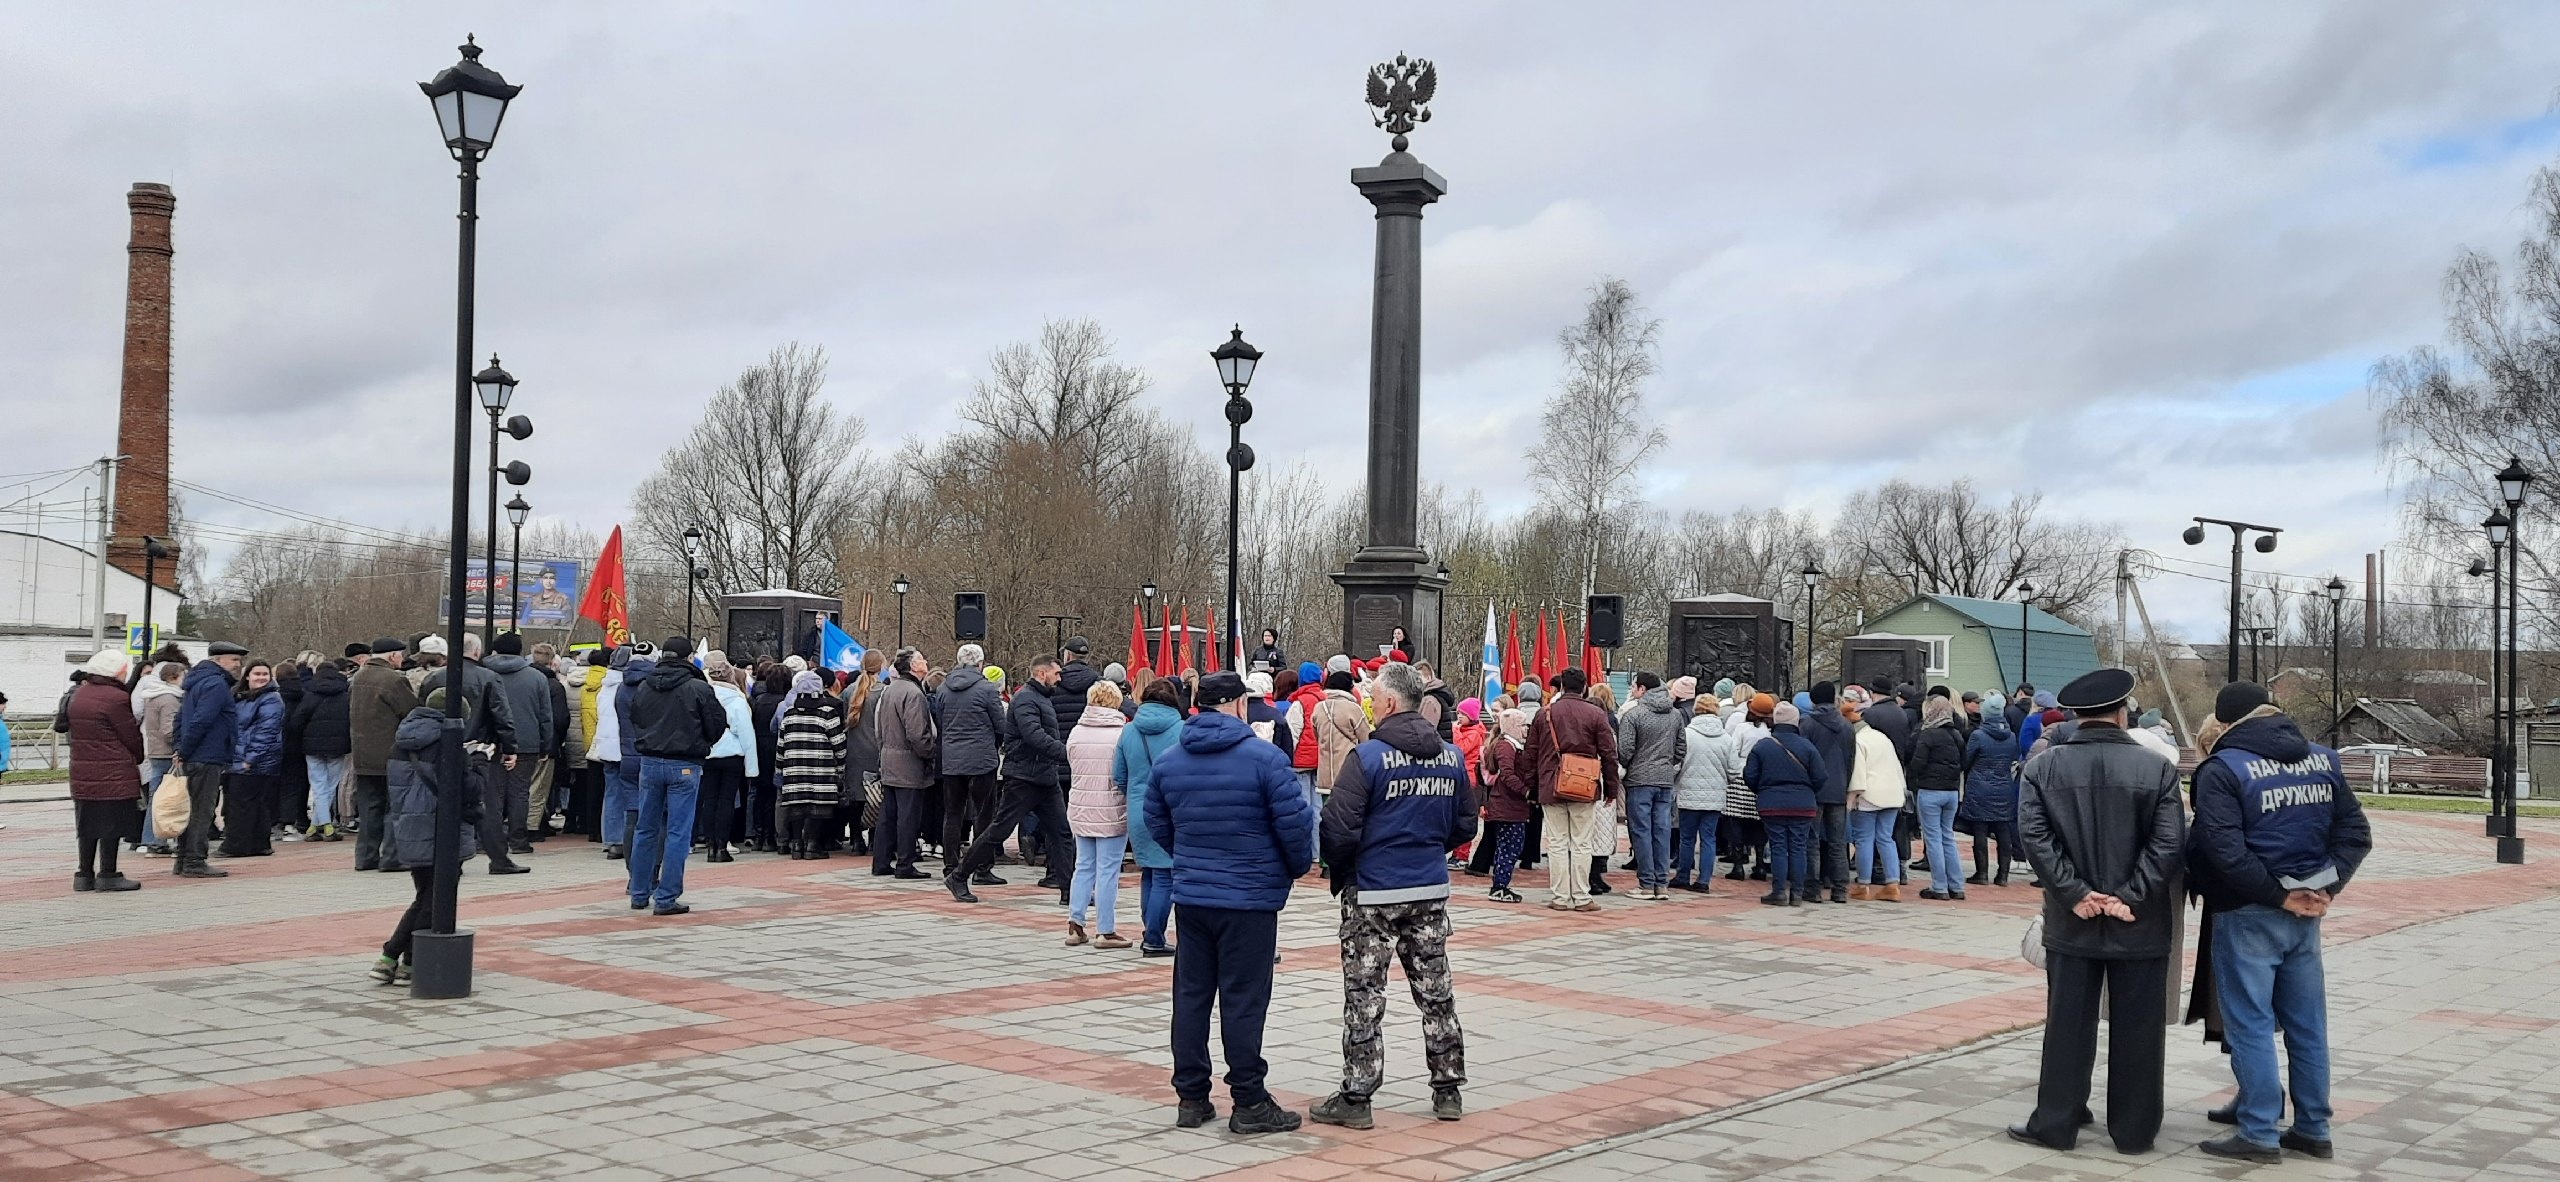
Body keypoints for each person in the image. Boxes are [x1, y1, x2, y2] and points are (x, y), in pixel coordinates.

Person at [2187, 682, 2370, 1164]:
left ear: (2224, 724)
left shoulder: (2222, 769)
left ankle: (2260, 1131)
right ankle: (2312, 1127)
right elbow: (2356, 835)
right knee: (2307, 1026)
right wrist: (2323, 890)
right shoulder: (2324, 759)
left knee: (2249, 1023)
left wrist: (2279, 895)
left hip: (2248, 912)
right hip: (2306, 915)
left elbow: (2223, 849)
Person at [2009, 669, 2186, 1156]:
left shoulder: (2043, 768)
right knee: (2140, 1029)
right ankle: (2134, 1131)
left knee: (2067, 1023)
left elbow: (2034, 839)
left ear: (2074, 715)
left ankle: (2056, 1123)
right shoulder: (2157, 768)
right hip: (2142, 921)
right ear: (2123, 712)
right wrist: (2130, 895)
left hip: (2072, 920)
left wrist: (2076, 894)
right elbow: (2170, 841)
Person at [1143, 669, 1313, 1135]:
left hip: (1194, 895)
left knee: (1191, 995)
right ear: (1239, 705)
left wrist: (1189, 857)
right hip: (1250, 898)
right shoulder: (1266, 759)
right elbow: (1296, 828)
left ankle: (1192, 1097)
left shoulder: (1172, 760)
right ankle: (1249, 1100)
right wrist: (1291, 869)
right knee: (1243, 999)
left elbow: (1155, 823)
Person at [1312, 661, 1474, 1129]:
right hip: (1428, 887)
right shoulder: (1450, 757)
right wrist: (1427, 850)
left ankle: (1358, 1097)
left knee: (1364, 995)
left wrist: (1346, 871)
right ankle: (1447, 1089)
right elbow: (1465, 824)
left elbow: (1338, 827)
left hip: (1374, 893)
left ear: (1387, 704)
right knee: (1436, 992)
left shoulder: (1367, 758)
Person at [373, 688, 484, 984]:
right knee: (435, 897)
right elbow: (465, 788)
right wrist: (478, 761)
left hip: (408, 827)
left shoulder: (401, 741)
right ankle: (396, 955)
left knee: (425, 893)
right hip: (441, 829)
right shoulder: (449, 745)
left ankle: (401, 960)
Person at [947, 657, 1077, 903]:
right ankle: (959, 875)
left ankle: (1069, 891)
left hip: (1045, 778)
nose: (1060, 679)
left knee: (1061, 833)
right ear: (1041, 673)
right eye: (1057, 674)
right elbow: (1033, 735)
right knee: (998, 831)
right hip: (1024, 778)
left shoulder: (1042, 698)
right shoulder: (1026, 698)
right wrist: (1067, 753)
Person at [624, 637, 727, 915]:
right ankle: (667, 896)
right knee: (677, 832)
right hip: (685, 762)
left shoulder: (645, 685)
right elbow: (717, 724)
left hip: (650, 761)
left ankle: (639, 891)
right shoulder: (698, 687)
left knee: (645, 828)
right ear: (688, 657)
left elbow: (635, 717)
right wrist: (700, 742)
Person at [424, 634, 526, 875]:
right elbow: (502, 716)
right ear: (478, 652)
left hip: (440, 748)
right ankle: (499, 859)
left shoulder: (435, 678)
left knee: (446, 804)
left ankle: (449, 859)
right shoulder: (489, 678)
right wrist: (510, 748)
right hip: (478, 749)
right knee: (486, 805)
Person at [1522, 668, 1622, 913]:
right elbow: (1609, 755)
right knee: (1582, 842)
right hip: (1585, 785)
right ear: (1585, 687)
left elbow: (1530, 755)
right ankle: (1581, 896)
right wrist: (1611, 789)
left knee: (1556, 842)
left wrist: (1531, 788)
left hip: (1550, 785)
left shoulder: (1544, 714)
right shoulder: (1596, 714)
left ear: (1561, 687)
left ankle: (1559, 896)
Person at [1117, 677, 1187, 956]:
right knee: (1166, 876)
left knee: (1149, 872)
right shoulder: (1182, 730)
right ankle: (1154, 937)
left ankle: (1150, 931)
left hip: (1137, 809)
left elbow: (1119, 776)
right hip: (1170, 809)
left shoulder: (1128, 731)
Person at [67, 649, 146, 892]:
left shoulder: (79, 694)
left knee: (87, 823)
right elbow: (129, 733)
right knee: (110, 823)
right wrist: (139, 756)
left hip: (82, 769)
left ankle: (83, 874)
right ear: (118, 672)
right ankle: (108, 874)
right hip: (113, 770)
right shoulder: (115, 697)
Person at [1066, 680, 1133, 948]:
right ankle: (1105, 930)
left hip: (1082, 807)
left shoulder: (1076, 732)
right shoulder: (1122, 733)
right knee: (1108, 869)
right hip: (1112, 808)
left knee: (1083, 866)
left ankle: (1075, 923)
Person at [171, 640, 247, 878]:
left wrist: (180, 748)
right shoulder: (216, 684)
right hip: (207, 755)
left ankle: (183, 859)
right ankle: (194, 860)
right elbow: (202, 720)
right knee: (202, 811)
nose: (238, 665)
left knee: (189, 809)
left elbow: (180, 720)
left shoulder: (195, 683)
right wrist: (183, 750)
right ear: (218, 661)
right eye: (234, 660)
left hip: (195, 755)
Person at [1743, 698, 1826, 907]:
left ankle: (1779, 891)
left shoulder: (1763, 746)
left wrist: (1763, 791)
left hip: (1772, 804)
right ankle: (1797, 893)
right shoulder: (1808, 747)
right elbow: (1821, 776)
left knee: (1779, 846)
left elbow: (1749, 775)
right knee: (1799, 846)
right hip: (1803, 804)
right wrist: (1807, 791)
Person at [936, 644, 1006, 883]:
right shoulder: (987, 689)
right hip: (982, 760)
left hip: (952, 760)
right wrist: (993, 746)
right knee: (984, 815)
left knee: (953, 814)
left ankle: (950, 865)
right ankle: (982, 868)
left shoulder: (943, 688)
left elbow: (941, 721)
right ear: (981, 664)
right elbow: (1001, 726)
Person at [347, 638, 417, 872]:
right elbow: (410, 712)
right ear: (392, 656)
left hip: (362, 754)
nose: (402, 659)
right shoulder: (393, 680)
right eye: (400, 655)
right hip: (390, 754)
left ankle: (365, 857)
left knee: (369, 808)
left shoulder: (358, 677)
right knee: (394, 807)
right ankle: (391, 857)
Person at [1615, 671, 1686, 902]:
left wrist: (1632, 765)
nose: (1633, 690)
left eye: (1635, 686)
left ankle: (1646, 883)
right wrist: (1667, 764)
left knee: (1641, 831)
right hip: (1665, 780)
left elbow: (1625, 751)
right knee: (1662, 830)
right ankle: (1661, 884)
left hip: (1639, 780)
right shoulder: (1675, 715)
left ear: (1643, 689)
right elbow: (1681, 749)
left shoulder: (1634, 715)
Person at [485, 633, 554, 854]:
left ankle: (490, 841)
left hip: (490, 742)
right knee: (519, 792)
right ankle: (518, 840)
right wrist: (545, 744)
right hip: (527, 741)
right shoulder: (536, 678)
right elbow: (545, 715)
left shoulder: (484, 673)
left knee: (492, 793)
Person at [872, 648, 938, 879]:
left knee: (888, 815)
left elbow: (880, 728)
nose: (925, 661)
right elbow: (918, 733)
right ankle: (905, 864)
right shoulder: (913, 693)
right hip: (908, 762)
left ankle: (880, 861)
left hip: (889, 759)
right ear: (912, 667)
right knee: (908, 816)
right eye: (921, 659)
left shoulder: (890, 690)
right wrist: (930, 753)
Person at [1670, 696, 1741, 893]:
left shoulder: (1687, 734)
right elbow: (1734, 770)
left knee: (1687, 838)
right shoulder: (1726, 738)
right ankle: (1703, 881)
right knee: (1709, 839)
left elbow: (1676, 764)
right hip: (1715, 797)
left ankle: (1683, 875)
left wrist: (1676, 781)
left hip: (1688, 794)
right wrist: (1723, 782)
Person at [774, 670, 847, 859]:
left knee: (797, 807)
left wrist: (780, 768)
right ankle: (812, 845)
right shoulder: (827, 714)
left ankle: (797, 844)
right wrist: (840, 768)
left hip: (794, 770)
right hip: (820, 770)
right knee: (817, 807)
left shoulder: (789, 714)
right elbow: (839, 745)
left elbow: (781, 745)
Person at [1840, 688, 1904, 901]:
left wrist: (1851, 798)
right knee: (1886, 839)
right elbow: (1896, 766)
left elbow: (1858, 773)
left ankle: (1863, 884)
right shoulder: (1880, 737)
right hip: (1892, 793)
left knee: (1864, 839)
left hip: (1869, 796)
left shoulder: (1857, 741)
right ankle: (1892, 884)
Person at [1906, 694, 1969, 900]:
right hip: (1951, 792)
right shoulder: (1956, 735)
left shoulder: (1928, 734)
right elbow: (1964, 762)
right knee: (1947, 837)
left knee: (1933, 839)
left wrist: (1915, 779)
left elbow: (1917, 763)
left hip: (1930, 790)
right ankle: (1957, 885)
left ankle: (1939, 886)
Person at [221, 659, 286, 858]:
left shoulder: (271, 699)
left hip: (254, 758)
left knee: (241, 802)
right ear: (247, 675)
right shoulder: (241, 696)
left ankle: (236, 844)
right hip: (240, 755)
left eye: (265, 674)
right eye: (257, 674)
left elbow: (267, 731)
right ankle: (259, 843)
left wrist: (251, 758)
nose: (261, 678)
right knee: (255, 802)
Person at [1800, 681, 1856, 904]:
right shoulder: (1846, 725)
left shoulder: (1807, 724)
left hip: (1814, 789)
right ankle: (1840, 888)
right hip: (1839, 788)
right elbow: (1851, 759)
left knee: (1811, 841)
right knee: (1838, 842)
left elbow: (1804, 757)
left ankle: (1812, 889)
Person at [289, 653, 353, 842]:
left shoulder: (310, 693)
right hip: (338, 747)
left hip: (312, 746)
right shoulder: (345, 695)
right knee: (330, 785)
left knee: (318, 786)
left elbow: (297, 720)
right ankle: (326, 826)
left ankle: (316, 826)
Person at [1960, 692, 2021, 886]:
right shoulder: (2011, 736)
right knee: (2003, 831)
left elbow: (1966, 761)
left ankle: (1982, 873)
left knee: (1980, 830)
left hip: (1980, 787)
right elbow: (2013, 757)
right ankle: (2002, 875)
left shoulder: (1978, 735)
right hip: (2004, 787)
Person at [703, 655, 760, 861]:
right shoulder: (737, 700)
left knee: (709, 800)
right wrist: (752, 767)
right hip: (731, 755)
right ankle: (721, 847)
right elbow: (746, 734)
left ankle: (710, 845)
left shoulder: (703, 697)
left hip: (707, 753)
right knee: (726, 801)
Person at [1476, 707, 1535, 902]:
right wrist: (1526, 791)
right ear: (1512, 726)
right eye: (1523, 725)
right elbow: (1508, 774)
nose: (1526, 729)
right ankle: (1499, 886)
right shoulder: (1506, 746)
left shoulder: (1509, 745)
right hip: (1508, 806)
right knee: (1510, 847)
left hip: (1509, 805)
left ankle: (1501, 884)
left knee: (1509, 846)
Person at [1311, 670, 1371, 854]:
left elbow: (1316, 735)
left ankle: (1324, 860)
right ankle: (1343, 857)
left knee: (1325, 817)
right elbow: (1366, 740)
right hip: (1347, 774)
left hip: (1324, 773)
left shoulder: (1319, 708)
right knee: (1345, 819)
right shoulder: (1353, 709)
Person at [133, 658, 186, 855]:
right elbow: (168, 729)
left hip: (155, 751)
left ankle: (151, 838)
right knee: (166, 798)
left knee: (156, 797)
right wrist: (180, 746)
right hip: (166, 753)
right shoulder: (169, 699)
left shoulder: (153, 697)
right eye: (183, 676)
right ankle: (156, 840)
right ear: (174, 677)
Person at [1721, 691, 1769, 881]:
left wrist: (1731, 774)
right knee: (1758, 823)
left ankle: (1738, 864)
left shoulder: (1742, 728)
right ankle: (1759, 864)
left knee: (1736, 822)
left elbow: (1733, 752)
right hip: (1760, 780)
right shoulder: (1768, 731)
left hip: (1740, 778)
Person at [529, 642, 572, 838]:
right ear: (552, 661)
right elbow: (561, 719)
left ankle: (522, 822)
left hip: (518, 741)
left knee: (520, 787)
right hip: (547, 743)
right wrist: (558, 741)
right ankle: (531, 826)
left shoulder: (524, 679)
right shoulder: (554, 686)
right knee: (539, 787)